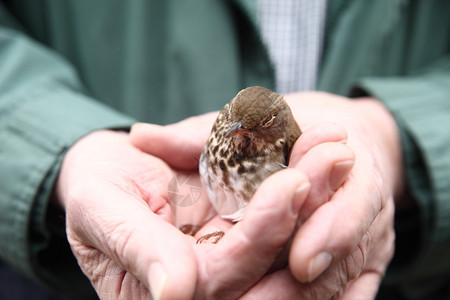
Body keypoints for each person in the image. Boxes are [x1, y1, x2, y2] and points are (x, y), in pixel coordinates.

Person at [0, 0, 449, 299]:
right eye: (231, 118)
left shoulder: (282, 148)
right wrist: (68, 144)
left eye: (247, 126)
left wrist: (393, 136)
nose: (233, 129)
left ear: (273, 129)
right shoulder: (224, 129)